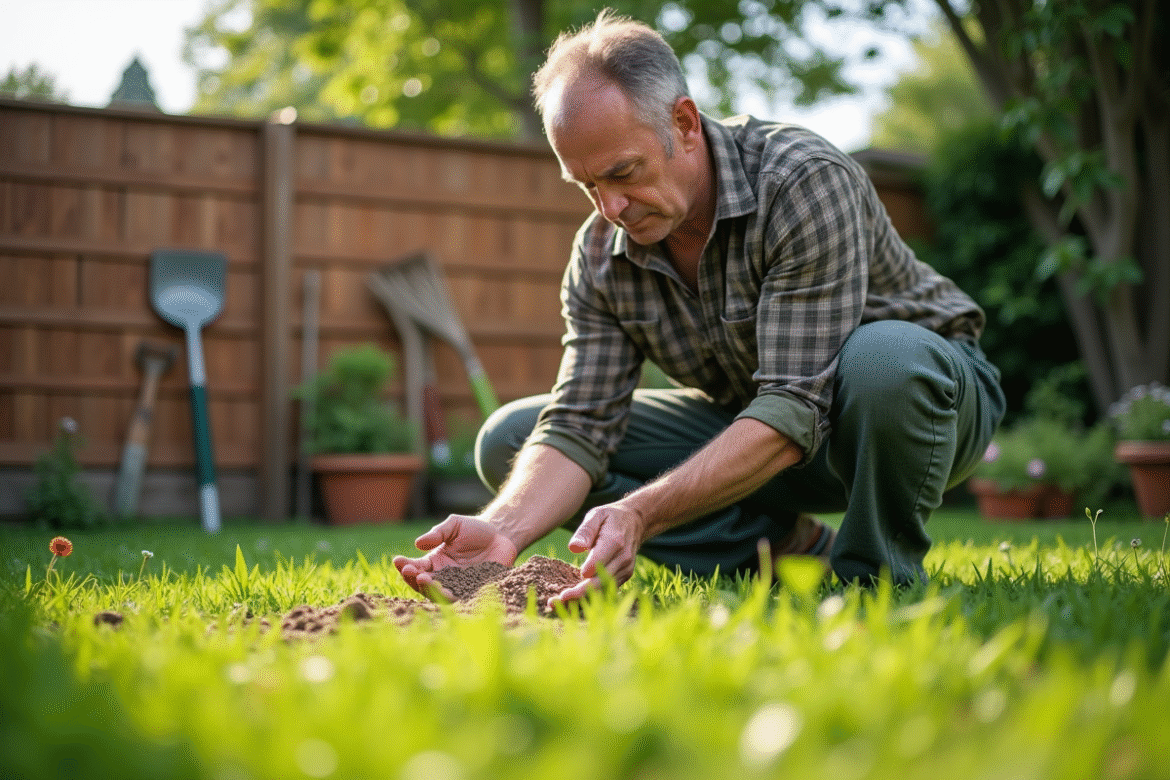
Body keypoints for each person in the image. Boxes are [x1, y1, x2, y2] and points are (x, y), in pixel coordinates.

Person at [394, 10, 1005, 605]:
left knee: (884, 360)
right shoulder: (604, 253)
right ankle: (785, 549)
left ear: (684, 123)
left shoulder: (800, 180)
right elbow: (581, 422)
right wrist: (505, 527)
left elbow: (795, 405)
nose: (610, 207)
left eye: (623, 173)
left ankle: (873, 581)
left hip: (917, 409)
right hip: (762, 425)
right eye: (588, 186)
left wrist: (642, 512)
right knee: (512, 438)